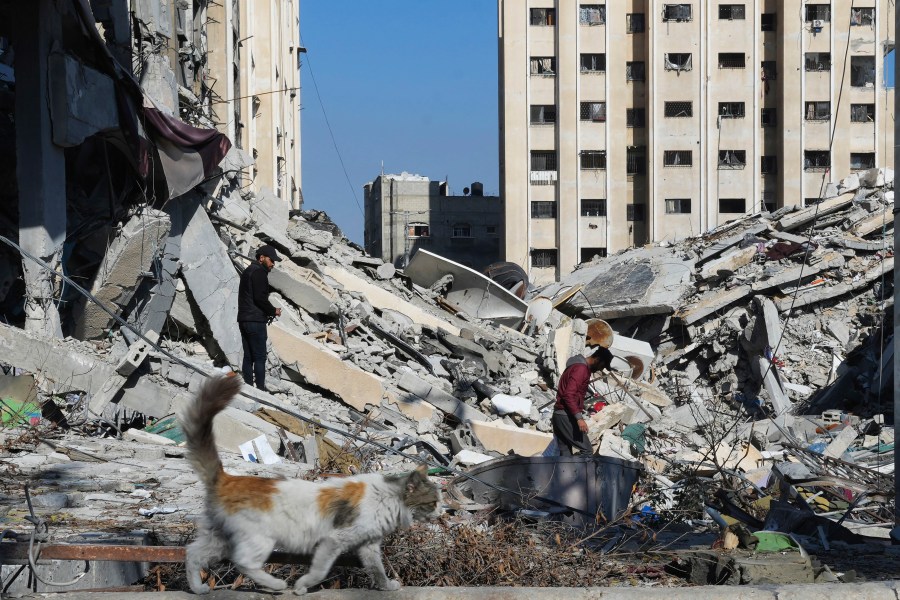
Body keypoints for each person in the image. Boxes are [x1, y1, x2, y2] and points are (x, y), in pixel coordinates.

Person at [551, 346, 613, 456]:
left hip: (559, 414)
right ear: (597, 359)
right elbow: (569, 395)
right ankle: (578, 472)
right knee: (587, 451)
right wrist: (579, 419)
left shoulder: (575, 366)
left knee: (565, 452)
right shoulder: (581, 369)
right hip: (565, 415)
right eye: (602, 366)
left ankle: (565, 472)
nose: (600, 369)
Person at [237, 245, 282, 390]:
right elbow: (260, 299)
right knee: (260, 358)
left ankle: (248, 387)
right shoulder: (260, 273)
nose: (273, 264)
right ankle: (260, 390)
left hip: (243, 319)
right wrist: (273, 310)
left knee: (248, 356)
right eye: (271, 260)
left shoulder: (248, 271)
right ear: (261, 258)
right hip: (255, 320)